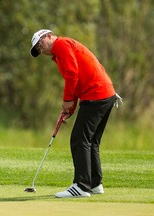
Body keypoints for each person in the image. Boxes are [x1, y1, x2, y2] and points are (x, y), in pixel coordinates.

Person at [30, 29, 122, 198]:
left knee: (79, 139)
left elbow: (72, 74)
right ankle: (94, 184)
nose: (40, 49)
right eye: (37, 49)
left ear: (49, 36)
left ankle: (81, 185)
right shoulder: (59, 53)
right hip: (104, 94)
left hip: (96, 94)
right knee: (91, 140)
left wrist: (66, 101)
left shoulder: (61, 44)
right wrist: (69, 109)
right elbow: (76, 80)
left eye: (40, 44)